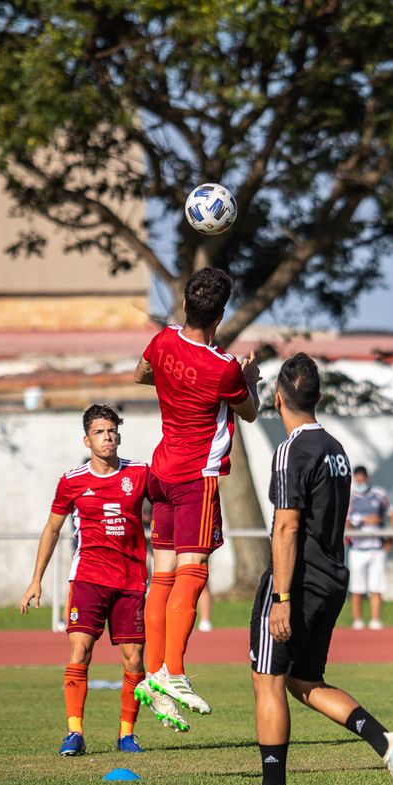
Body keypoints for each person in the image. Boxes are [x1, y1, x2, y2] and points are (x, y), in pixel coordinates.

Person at [223, 354, 393, 785]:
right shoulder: (335, 448)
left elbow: (287, 527)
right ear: (318, 396)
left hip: (298, 581)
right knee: (304, 681)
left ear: (278, 398)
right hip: (332, 577)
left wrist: (282, 597)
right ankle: (387, 743)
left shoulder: (292, 449)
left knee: (268, 681)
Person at [133, 267, 261, 715]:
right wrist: (251, 377)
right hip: (195, 478)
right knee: (194, 571)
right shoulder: (224, 369)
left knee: (163, 574)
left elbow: (141, 375)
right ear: (220, 315)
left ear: (186, 304)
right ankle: (174, 671)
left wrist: (178, 381)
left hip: (160, 472)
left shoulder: (163, 340)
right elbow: (250, 412)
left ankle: (153, 673)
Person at [18, 405, 158, 754]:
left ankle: (127, 735)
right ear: (87, 440)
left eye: (111, 431)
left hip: (130, 580)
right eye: (99, 432)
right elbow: (52, 529)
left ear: (119, 436)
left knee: (134, 659)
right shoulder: (72, 481)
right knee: (80, 651)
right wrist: (36, 579)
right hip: (88, 578)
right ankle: (74, 733)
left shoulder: (140, 473)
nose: (107, 437)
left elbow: (167, 506)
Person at [345, 464, 393, 630]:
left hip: (377, 548)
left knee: (376, 586)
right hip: (357, 548)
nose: (361, 483)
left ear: (368, 478)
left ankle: (375, 620)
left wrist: (390, 538)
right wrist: (363, 521)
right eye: (358, 480)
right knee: (356, 587)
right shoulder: (350, 497)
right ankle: (357, 621)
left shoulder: (380, 494)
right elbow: (345, 522)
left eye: (363, 480)